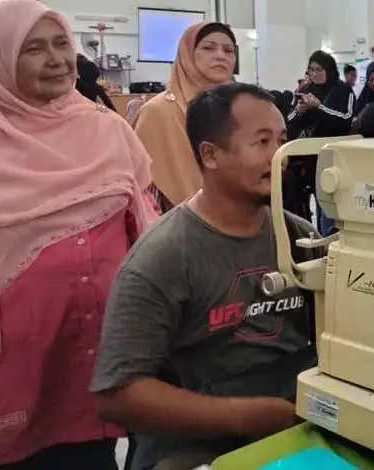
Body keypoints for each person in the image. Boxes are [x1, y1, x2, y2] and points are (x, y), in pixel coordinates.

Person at [0, 0, 156, 469]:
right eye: (33, 48)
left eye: (61, 44)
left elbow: (146, 225)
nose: (55, 60)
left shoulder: (107, 130)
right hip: (12, 365)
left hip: (103, 350)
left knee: (95, 454)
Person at [92, 83, 317, 470]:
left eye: (281, 139)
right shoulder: (163, 257)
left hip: (296, 425)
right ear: (210, 154)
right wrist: (243, 416)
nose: (278, 155)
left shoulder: (300, 237)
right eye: (261, 142)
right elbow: (118, 393)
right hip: (194, 447)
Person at [133, 22, 237, 211]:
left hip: (241, 217)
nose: (220, 55)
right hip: (174, 224)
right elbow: (145, 187)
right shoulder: (158, 112)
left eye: (228, 50)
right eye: (208, 48)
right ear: (187, 54)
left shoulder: (242, 108)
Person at [285, 50, 354, 235]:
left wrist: (319, 107)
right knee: (307, 208)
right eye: (311, 70)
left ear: (329, 70)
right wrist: (299, 109)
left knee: (329, 206)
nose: (314, 74)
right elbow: (288, 121)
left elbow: (345, 119)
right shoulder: (306, 91)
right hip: (307, 161)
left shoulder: (342, 90)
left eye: (319, 69)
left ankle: (330, 243)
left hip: (332, 158)